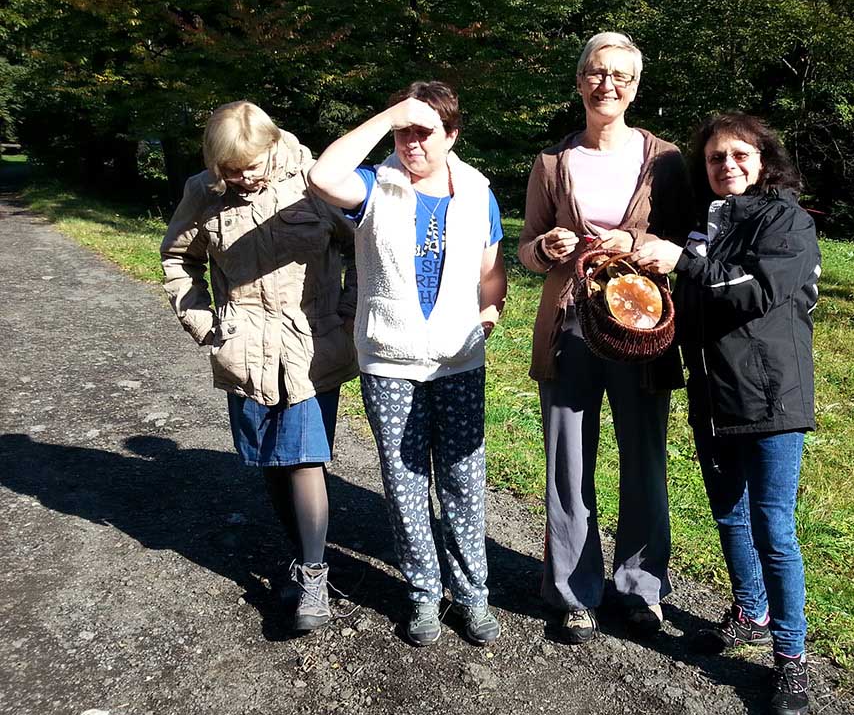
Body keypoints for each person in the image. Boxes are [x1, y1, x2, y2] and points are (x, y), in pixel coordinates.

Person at [632, 112, 821, 715]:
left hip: (771, 396)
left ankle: (791, 655)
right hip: (712, 394)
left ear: (764, 160)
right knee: (729, 514)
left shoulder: (786, 220)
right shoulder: (705, 223)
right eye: (716, 157)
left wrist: (682, 264)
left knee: (773, 526)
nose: (727, 165)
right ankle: (749, 611)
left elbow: (757, 290)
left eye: (740, 155)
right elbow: (690, 303)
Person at [308, 81, 507, 647]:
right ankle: (423, 592)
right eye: (404, 132)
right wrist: (390, 114)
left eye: (424, 132)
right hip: (389, 361)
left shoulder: (478, 192)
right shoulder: (375, 185)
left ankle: (471, 595)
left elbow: (491, 272)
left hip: (459, 362)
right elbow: (322, 177)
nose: (412, 142)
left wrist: (489, 314)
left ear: (452, 135)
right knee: (405, 483)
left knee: (464, 481)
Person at [518, 32, 693, 644]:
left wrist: (638, 244)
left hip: (641, 334)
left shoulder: (665, 160)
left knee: (644, 461)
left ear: (635, 86)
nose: (607, 84)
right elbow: (526, 248)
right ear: (580, 82)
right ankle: (574, 593)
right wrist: (546, 247)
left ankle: (641, 589)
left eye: (620, 75)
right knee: (567, 467)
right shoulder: (551, 162)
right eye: (596, 73)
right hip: (569, 331)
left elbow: (689, 243)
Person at [161, 101, 359, 633]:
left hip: (311, 344)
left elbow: (362, 246)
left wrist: (347, 312)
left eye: (251, 166)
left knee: (305, 457)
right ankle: (302, 557)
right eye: (231, 170)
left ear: (272, 146)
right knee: (272, 460)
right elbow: (178, 259)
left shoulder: (315, 183)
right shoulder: (203, 193)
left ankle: (314, 577)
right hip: (245, 349)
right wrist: (205, 323)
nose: (244, 177)